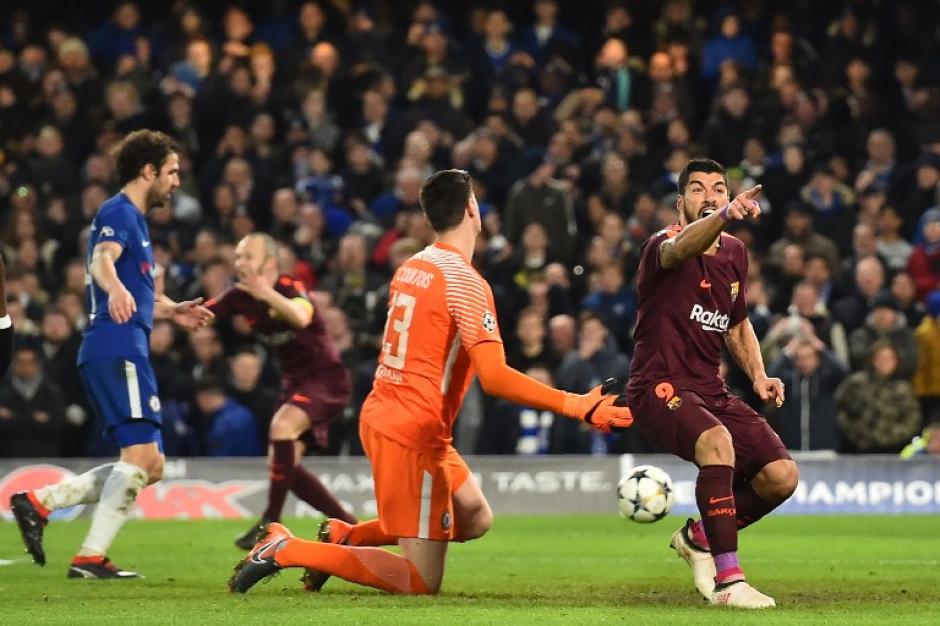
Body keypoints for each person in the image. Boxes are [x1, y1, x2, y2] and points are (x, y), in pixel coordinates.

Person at [228, 169, 632, 595]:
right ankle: (287, 548)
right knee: (419, 581)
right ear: (473, 209)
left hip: (406, 420)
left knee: (475, 516)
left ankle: (348, 537)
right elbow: (494, 378)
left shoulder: (412, 266)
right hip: (411, 432)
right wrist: (575, 404)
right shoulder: (465, 282)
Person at [10, 130, 213, 578]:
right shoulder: (118, 211)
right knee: (140, 459)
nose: (177, 182)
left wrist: (171, 309)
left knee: (150, 464)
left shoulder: (137, 221)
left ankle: (40, 503)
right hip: (115, 349)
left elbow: (135, 293)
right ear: (148, 171)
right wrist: (117, 286)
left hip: (124, 349)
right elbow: (102, 259)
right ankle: (88, 557)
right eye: (172, 172)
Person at [626, 158, 797, 609]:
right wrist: (721, 217)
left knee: (781, 477)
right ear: (681, 202)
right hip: (657, 385)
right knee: (717, 443)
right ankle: (728, 582)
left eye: (719, 190)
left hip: (710, 389)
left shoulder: (735, 254)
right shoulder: (661, 246)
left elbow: (737, 326)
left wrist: (759, 377)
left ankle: (699, 536)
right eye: (698, 189)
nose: (710, 196)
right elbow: (682, 249)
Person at [205, 232, 357, 549]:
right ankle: (350, 529)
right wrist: (168, 307)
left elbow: (301, 315)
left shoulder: (290, 288)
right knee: (283, 463)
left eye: (248, 256)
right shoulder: (240, 295)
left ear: (269, 263)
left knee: (281, 427)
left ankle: (270, 523)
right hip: (293, 383)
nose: (240, 263)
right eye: (237, 256)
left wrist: (265, 292)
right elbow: (203, 313)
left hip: (324, 378)